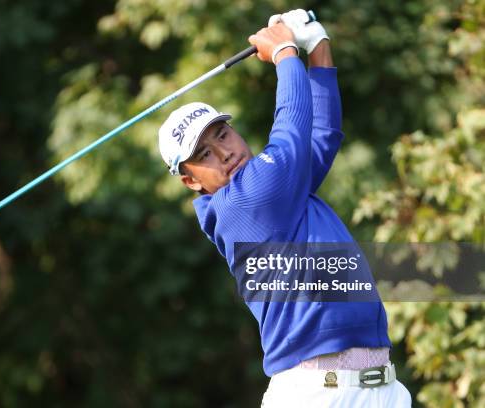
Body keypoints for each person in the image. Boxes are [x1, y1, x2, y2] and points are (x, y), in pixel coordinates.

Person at [158, 9, 412, 408]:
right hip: (314, 394)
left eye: (223, 134)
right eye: (204, 154)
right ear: (191, 180)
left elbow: (322, 136)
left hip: (380, 388)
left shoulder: (281, 191)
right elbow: (292, 131)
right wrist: (285, 53)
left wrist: (318, 46)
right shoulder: (242, 201)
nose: (224, 152)